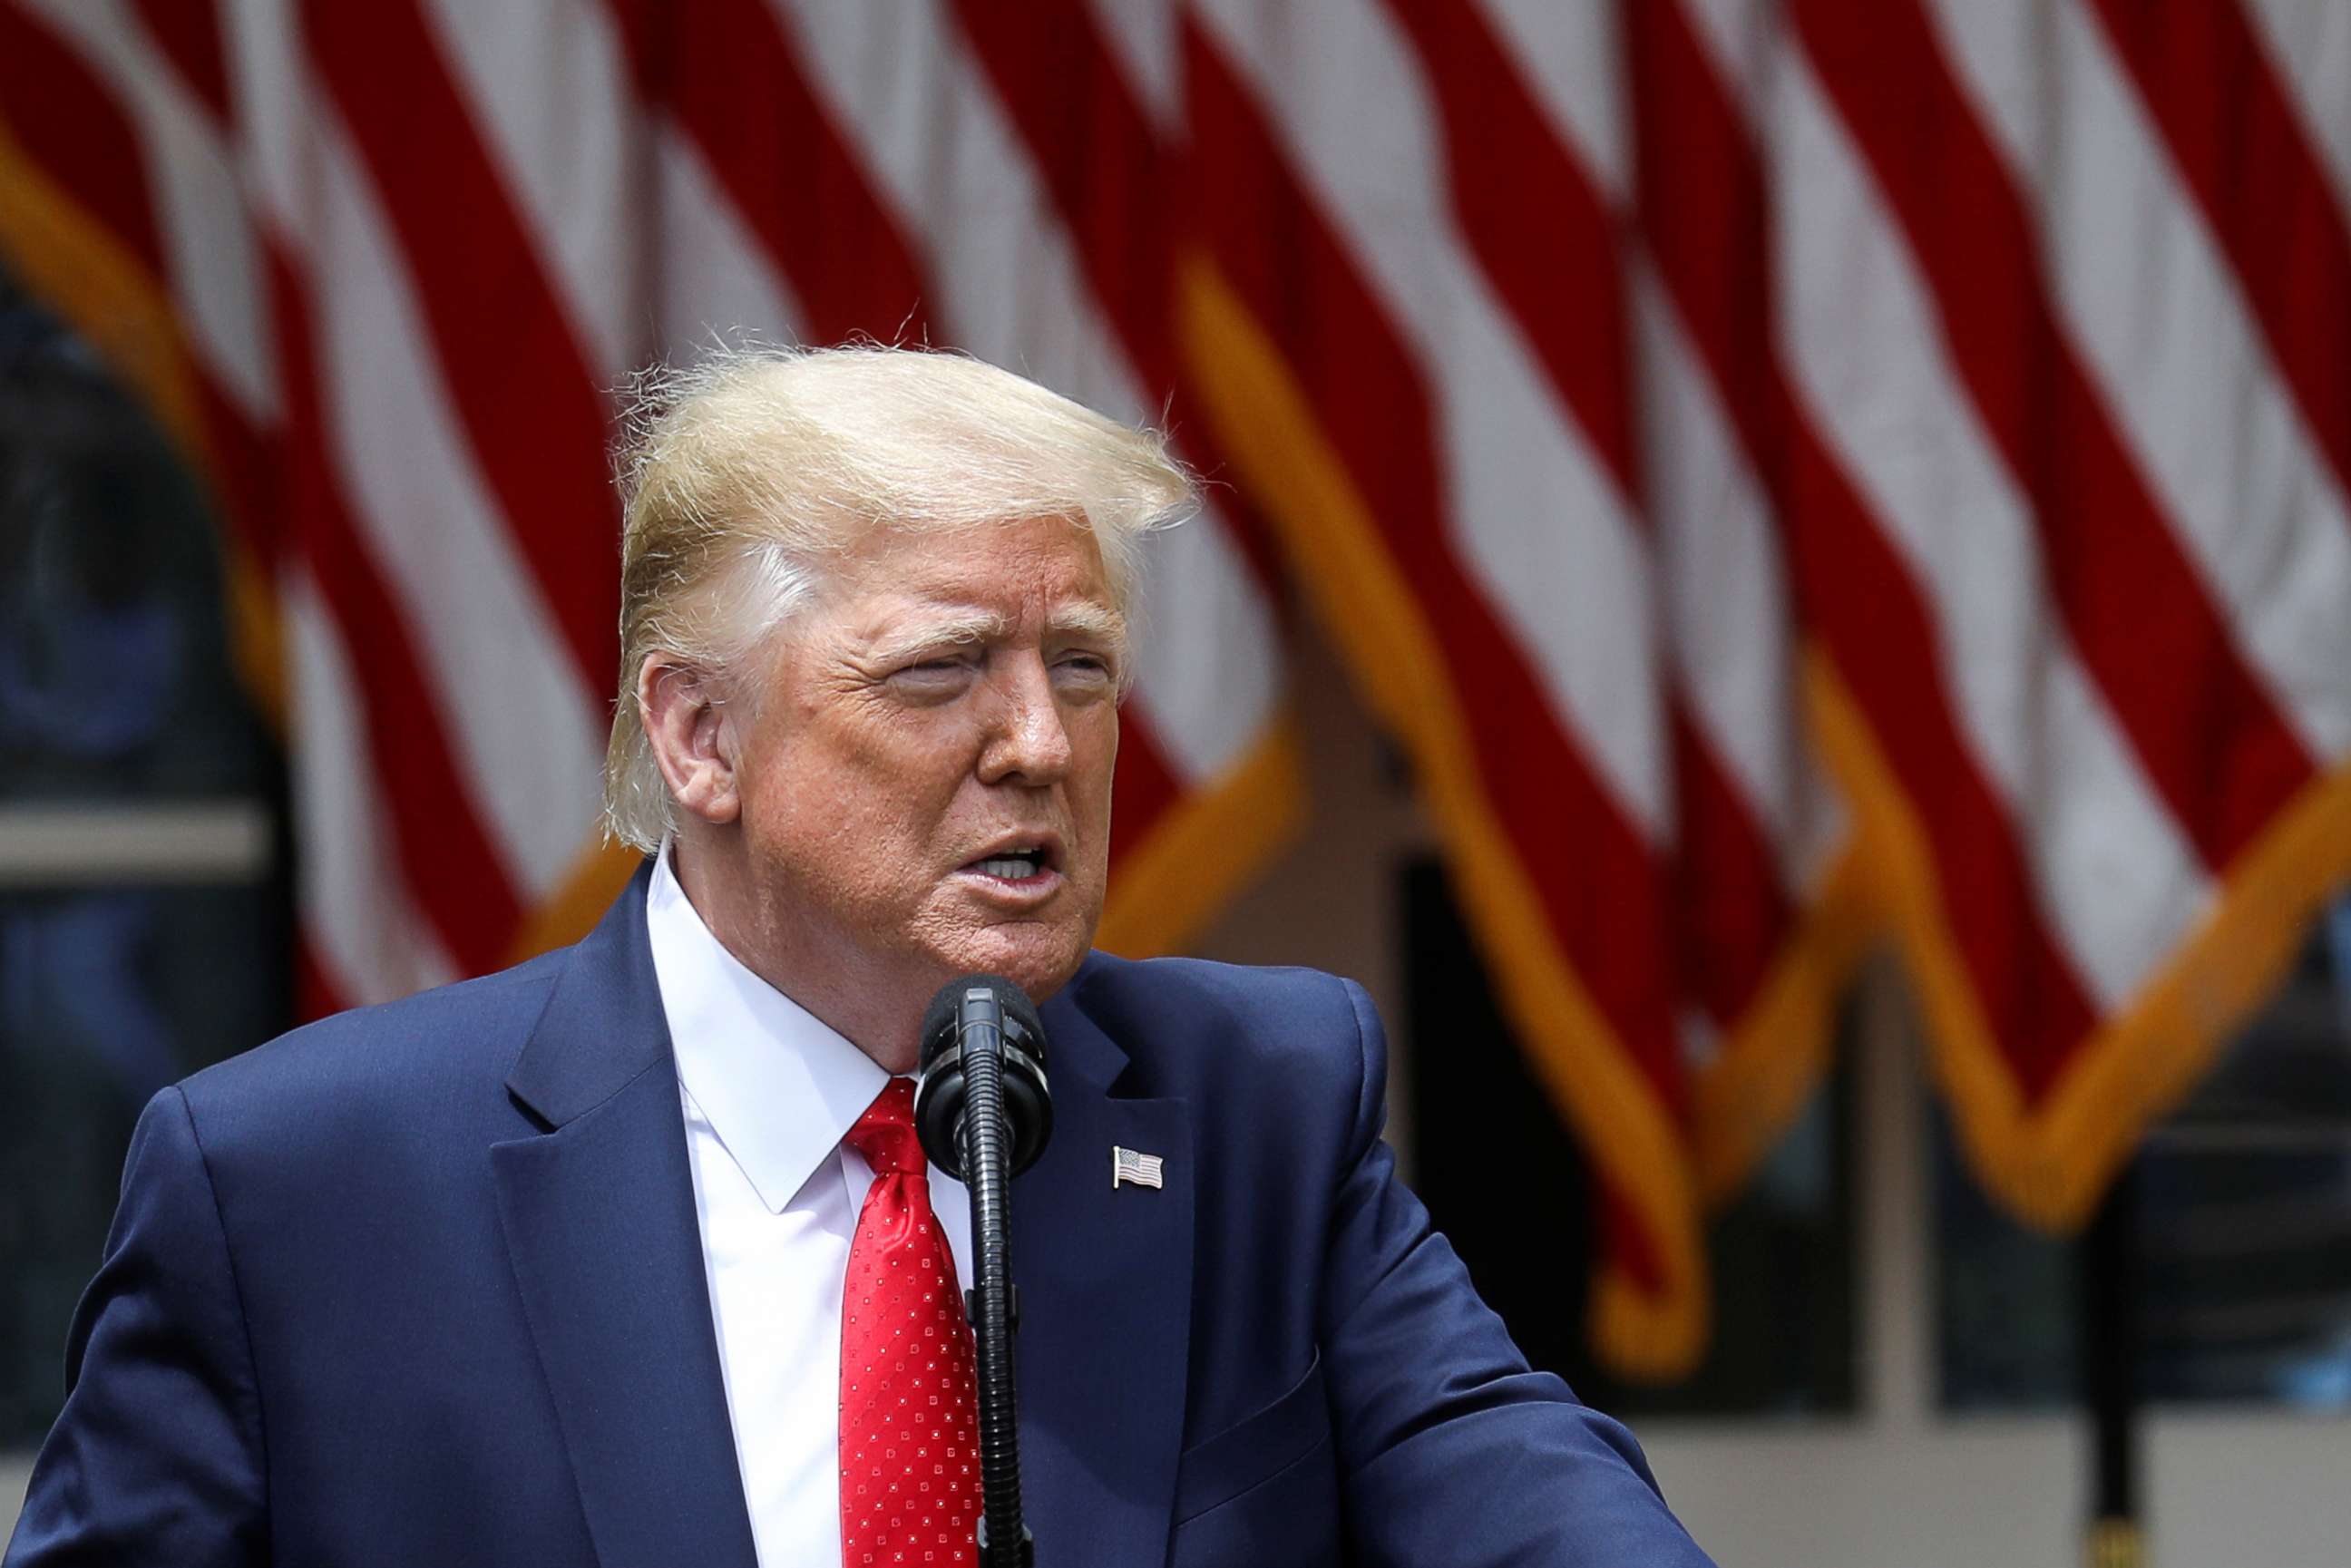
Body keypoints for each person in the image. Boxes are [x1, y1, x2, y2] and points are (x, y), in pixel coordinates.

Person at [5, 346, 1714, 1567]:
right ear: (699, 734)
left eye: (1086, 667)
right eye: (941, 671)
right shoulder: (300, 1189)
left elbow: (1527, 1504)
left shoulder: (1257, 1111)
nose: (1043, 743)